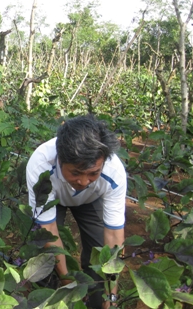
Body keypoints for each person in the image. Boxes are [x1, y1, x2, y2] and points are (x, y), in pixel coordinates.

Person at [26, 115, 126, 309]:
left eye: (93, 173)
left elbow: (114, 236)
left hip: (91, 199)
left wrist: (110, 296)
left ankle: (97, 303)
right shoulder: (41, 165)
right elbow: (49, 229)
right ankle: (52, 302)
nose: (83, 181)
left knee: (99, 255)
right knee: (42, 255)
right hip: (53, 199)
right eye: (76, 173)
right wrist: (67, 282)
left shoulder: (114, 172)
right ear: (60, 159)